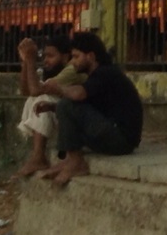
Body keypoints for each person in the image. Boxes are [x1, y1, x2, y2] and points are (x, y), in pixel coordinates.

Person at [40, 32, 143, 186]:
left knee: (66, 104)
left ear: (91, 56)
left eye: (76, 57)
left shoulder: (105, 72)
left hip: (121, 139)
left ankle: (76, 163)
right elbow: (86, 107)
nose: (73, 62)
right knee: (64, 106)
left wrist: (58, 89)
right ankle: (69, 160)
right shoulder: (96, 76)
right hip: (114, 135)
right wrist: (52, 107)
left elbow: (79, 95)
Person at [13, 34, 86, 178]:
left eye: (51, 56)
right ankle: (38, 156)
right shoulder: (54, 71)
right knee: (33, 100)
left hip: (83, 122)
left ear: (65, 57)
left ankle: (38, 156)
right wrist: (26, 61)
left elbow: (36, 90)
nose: (46, 60)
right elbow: (26, 92)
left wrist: (31, 59)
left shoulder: (72, 69)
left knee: (43, 98)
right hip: (69, 119)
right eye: (44, 56)